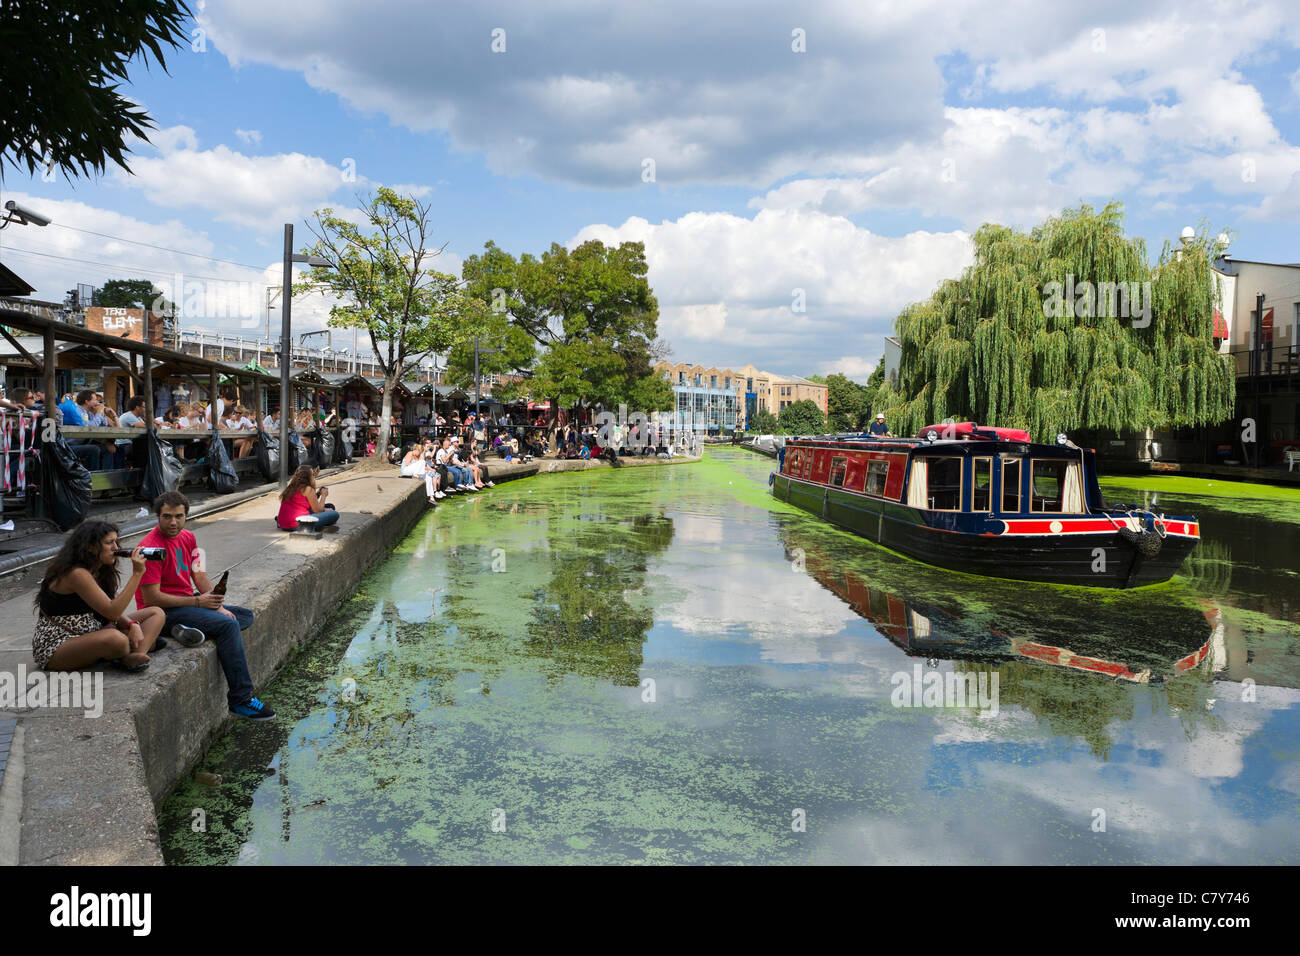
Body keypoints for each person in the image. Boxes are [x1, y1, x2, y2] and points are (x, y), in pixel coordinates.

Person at [136, 490, 276, 720]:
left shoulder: (187, 537)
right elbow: (151, 599)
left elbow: (199, 576)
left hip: (188, 603)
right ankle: (241, 700)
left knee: (245, 615)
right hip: (161, 611)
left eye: (179, 516)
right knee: (228, 627)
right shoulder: (150, 547)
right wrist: (198, 602)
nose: (173, 522)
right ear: (157, 517)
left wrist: (216, 605)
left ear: (186, 516)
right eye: (167, 517)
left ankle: (188, 629)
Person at [31, 520, 165, 673]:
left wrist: (132, 624)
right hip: (59, 645)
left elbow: (108, 608)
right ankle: (130, 650)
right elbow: (112, 611)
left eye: (116, 541)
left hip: (93, 631)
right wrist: (137, 573)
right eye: (109, 543)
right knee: (117, 639)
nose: (116, 548)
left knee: (156, 613)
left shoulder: (100, 569)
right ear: (90, 547)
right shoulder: (76, 573)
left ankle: (135, 656)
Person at [277, 465, 339, 530]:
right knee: (334, 514)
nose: (314, 476)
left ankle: (278, 518)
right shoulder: (308, 489)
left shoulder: (292, 486)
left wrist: (318, 494)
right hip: (299, 524)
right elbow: (318, 511)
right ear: (307, 477)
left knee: (330, 506)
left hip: (283, 522)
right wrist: (324, 495)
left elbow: (306, 502)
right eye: (312, 475)